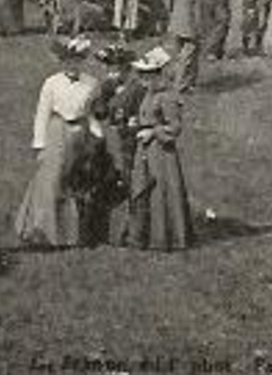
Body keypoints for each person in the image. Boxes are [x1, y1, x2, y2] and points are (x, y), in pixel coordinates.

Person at [14, 36, 99, 248]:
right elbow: (42, 113)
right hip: (56, 131)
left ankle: (73, 234)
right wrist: (39, 143)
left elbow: (91, 114)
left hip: (80, 133)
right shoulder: (52, 83)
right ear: (63, 62)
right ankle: (43, 231)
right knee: (51, 180)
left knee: (75, 180)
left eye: (77, 61)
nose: (73, 65)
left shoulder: (92, 83)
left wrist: (97, 136)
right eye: (68, 61)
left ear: (83, 61)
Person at [126, 47, 194, 251]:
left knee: (161, 192)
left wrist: (153, 132)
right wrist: (137, 122)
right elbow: (148, 116)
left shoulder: (167, 97)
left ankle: (164, 237)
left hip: (162, 153)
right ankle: (142, 236)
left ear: (157, 75)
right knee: (143, 190)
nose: (143, 80)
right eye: (141, 75)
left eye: (147, 75)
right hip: (145, 149)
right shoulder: (149, 93)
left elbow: (175, 127)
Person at [82, 44, 145, 247]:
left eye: (117, 69)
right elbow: (98, 111)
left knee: (128, 184)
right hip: (110, 141)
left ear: (128, 69)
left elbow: (140, 116)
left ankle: (128, 233)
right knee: (104, 182)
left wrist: (129, 123)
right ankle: (101, 232)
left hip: (129, 142)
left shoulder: (136, 89)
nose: (112, 73)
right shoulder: (107, 86)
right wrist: (103, 99)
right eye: (109, 69)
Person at [166, 0, 203, 92]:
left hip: (175, 23)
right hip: (190, 27)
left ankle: (180, 80)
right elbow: (198, 12)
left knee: (177, 55)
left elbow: (170, 4)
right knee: (188, 57)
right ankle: (181, 84)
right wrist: (200, 29)